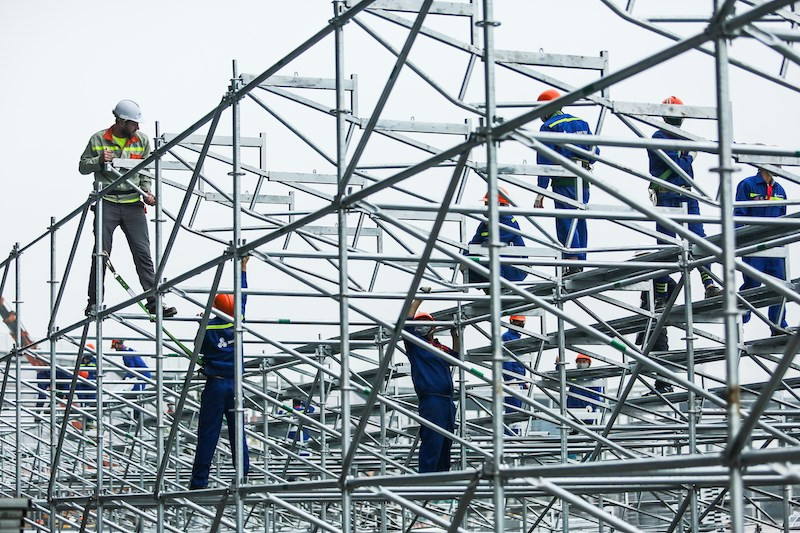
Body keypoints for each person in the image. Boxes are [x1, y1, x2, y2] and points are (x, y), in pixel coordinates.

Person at [79, 99, 176, 318]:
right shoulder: (98, 139)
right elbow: (82, 166)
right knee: (101, 254)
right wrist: (98, 160)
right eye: (134, 123)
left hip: (133, 202)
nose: (138, 127)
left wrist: (147, 191)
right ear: (121, 121)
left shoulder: (142, 140)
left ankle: (155, 302)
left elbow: (146, 170)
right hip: (107, 202)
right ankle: (94, 303)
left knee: (143, 254)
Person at [647, 96, 722, 306]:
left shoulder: (685, 138)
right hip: (667, 195)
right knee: (666, 246)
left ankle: (709, 285)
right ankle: (661, 296)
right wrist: (690, 156)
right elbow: (676, 164)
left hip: (687, 196)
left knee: (699, 241)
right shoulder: (658, 137)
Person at [190, 256, 250, 489]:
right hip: (235, 385)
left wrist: (201, 323)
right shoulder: (238, 320)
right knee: (238, 433)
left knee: (208, 433)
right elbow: (243, 294)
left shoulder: (208, 326)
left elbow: (198, 349)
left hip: (215, 384)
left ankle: (199, 483)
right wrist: (243, 268)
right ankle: (242, 477)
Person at [533, 89, 599, 276]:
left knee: (566, 220)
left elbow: (544, 162)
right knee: (580, 219)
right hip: (583, 179)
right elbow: (594, 154)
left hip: (563, 180)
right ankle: (580, 261)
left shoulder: (549, 127)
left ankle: (572, 261)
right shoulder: (582, 123)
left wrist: (541, 192)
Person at [405, 286, 460, 473]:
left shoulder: (439, 347)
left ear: (433, 327)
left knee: (446, 442)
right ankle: (426, 480)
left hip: (447, 401)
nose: (422, 326)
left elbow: (456, 357)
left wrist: (455, 335)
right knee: (432, 442)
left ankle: (443, 480)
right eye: (419, 323)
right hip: (431, 399)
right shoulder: (415, 344)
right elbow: (406, 322)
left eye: (426, 323)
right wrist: (419, 298)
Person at [734, 167, 789, 336]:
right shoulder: (748, 185)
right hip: (754, 245)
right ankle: (739, 319)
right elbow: (738, 216)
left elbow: (783, 219)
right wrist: (740, 243)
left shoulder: (780, 190)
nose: (779, 167)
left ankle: (778, 326)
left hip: (775, 246)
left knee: (780, 285)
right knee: (752, 283)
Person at [466, 188, 528, 290]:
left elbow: (490, 245)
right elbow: (473, 245)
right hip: (501, 266)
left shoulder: (508, 221)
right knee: (467, 262)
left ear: (499, 204)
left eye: (487, 204)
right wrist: (462, 257)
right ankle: (490, 288)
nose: (485, 207)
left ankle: (499, 288)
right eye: (485, 203)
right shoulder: (485, 223)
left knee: (488, 256)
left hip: (514, 269)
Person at [635, 283, 675, 395]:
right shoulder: (654, 281)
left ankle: (665, 385)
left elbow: (673, 285)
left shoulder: (658, 280)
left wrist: (663, 303)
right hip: (652, 314)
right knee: (656, 351)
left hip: (655, 316)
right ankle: (663, 385)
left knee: (659, 351)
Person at [111, 339, 152, 420]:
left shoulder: (126, 353)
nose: (115, 349)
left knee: (136, 394)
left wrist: (128, 376)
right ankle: (136, 415)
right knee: (135, 394)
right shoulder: (127, 351)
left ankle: (138, 416)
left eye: (115, 347)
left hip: (142, 374)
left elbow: (131, 367)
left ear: (118, 344)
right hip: (140, 374)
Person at [502, 315, 528, 435]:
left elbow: (520, 361)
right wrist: (510, 378)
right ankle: (510, 436)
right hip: (512, 380)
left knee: (517, 410)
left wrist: (523, 380)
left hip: (519, 380)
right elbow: (506, 360)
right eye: (517, 322)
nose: (520, 325)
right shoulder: (507, 337)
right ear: (511, 322)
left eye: (521, 322)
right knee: (513, 410)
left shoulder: (517, 338)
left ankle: (515, 435)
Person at [566, 354, 602, 419]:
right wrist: (558, 366)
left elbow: (596, 397)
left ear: (589, 364)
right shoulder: (573, 376)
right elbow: (561, 376)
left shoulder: (593, 380)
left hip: (588, 412)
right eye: (579, 362)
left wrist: (591, 406)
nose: (581, 364)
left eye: (584, 362)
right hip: (572, 412)